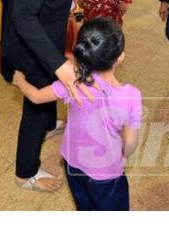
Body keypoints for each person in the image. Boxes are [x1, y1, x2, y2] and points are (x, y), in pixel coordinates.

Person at [2, 0, 96, 192]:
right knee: (35, 108)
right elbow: (23, 15)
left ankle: (49, 123)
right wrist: (57, 63)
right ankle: (25, 172)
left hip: (44, 40)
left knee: (46, 103)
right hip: (35, 47)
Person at [13, 17, 141, 210]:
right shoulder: (131, 96)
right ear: (120, 57)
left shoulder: (72, 83)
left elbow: (37, 97)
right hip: (106, 174)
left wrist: (19, 80)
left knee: (85, 207)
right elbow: (130, 142)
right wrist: (123, 158)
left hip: (72, 164)